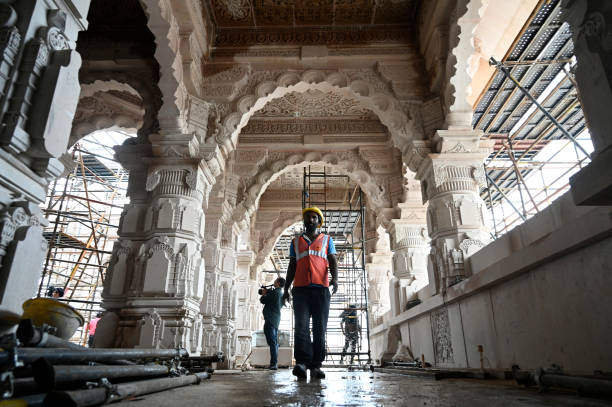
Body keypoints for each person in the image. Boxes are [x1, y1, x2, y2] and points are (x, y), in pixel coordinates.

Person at [283, 207, 338, 380]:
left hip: (321, 290)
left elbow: (332, 260)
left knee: (319, 328)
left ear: (319, 221)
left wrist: (335, 279)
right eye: (308, 217)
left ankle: (316, 365)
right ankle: (302, 363)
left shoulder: (327, 240)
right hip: (300, 290)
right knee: (301, 327)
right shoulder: (295, 241)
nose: (311, 220)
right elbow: (292, 265)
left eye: (314, 217)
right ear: (304, 221)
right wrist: (286, 288)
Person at [260, 277, 285, 370]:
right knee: (274, 342)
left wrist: (264, 294)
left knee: (273, 342)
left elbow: (263, 300)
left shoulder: (275, 292)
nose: (273, 282)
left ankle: (273, 364)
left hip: (270, 319)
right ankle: (274, 363)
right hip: (275, 320)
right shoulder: (281, 294)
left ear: (278, 283)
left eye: (275, 281)